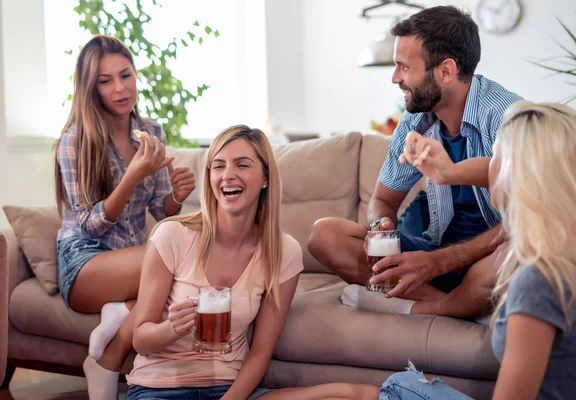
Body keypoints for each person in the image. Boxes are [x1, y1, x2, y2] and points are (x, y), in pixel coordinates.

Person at [127, 125, 380, 400]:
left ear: (265, 179)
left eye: (242, 165)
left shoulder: (283, 251)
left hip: (229, 389)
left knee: (353, 394)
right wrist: (171, 328)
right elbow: (140, 339)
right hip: (161, 388)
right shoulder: (172, 235)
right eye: (218, 166)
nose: (227, 175)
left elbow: (260, 352)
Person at [308, 5, 522, 318]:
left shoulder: (509, 118)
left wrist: (439, 262)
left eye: (404, 67)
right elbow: (382, 199)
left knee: (502, 262)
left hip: (487, 257)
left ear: (446, 71)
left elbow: (525, 222)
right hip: (433, 253)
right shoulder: (416, 121)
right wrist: (382, 226)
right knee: (325, 236)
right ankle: (446, 308)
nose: (395, 78)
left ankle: (428, 308)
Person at [380, 101, 576, 399]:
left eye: (495, 155)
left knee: (398, 387)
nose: (487, 166)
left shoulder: (539, 279)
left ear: (516, 174)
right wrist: (448, 173)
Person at [53, 35, 196, 398]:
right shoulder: (75, 141)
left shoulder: (152, 132)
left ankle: (109, 353)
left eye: (125, 75)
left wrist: (176, 197)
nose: (120, 88)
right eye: (105, 80)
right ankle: (115, 330)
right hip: (85, 262)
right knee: (176, 259)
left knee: (181, 266)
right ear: (91, 88)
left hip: (134, 259)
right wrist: (133, 175)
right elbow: (90, 225)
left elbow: (159, 211)